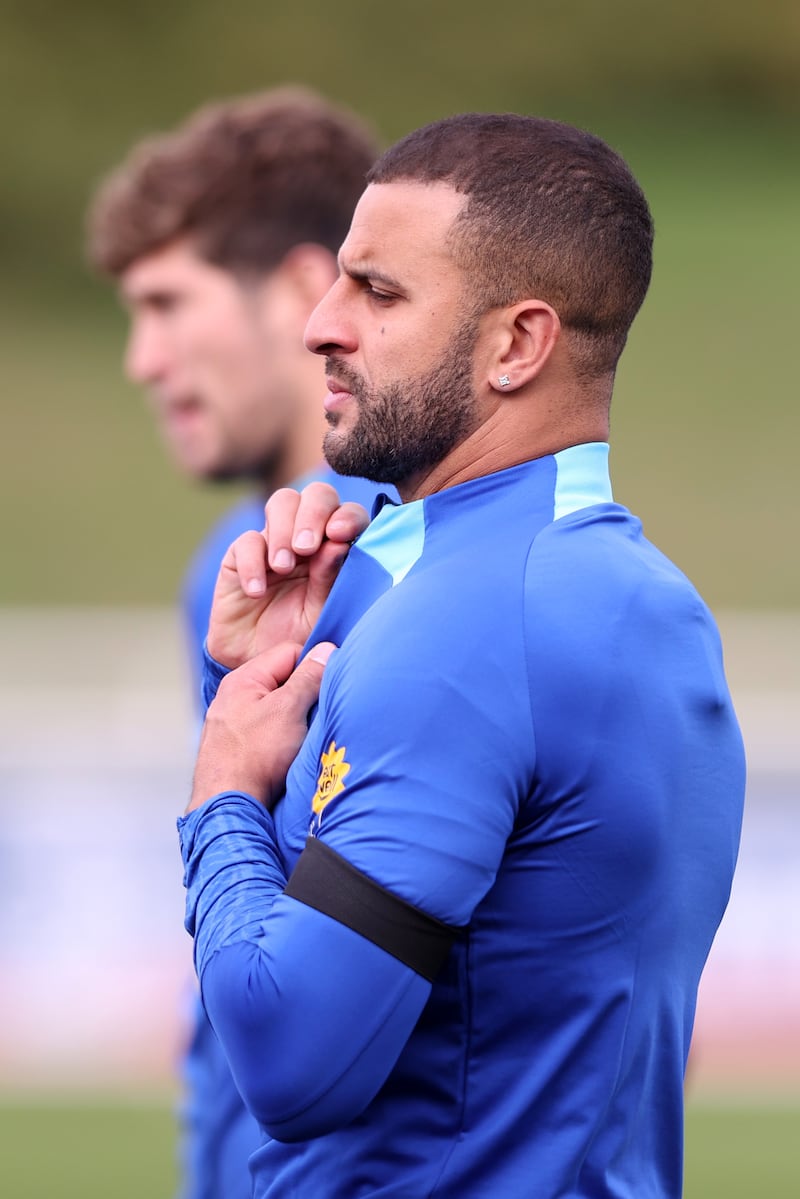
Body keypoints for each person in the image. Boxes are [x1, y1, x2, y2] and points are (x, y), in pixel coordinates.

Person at [178, 114, 746, 1198]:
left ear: (515, 345)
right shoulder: (633, 595)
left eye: (377, 294)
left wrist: (224, 787)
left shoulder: (470, 624)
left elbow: (291, 1059)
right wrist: (251, 687)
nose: (318, 325)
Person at [86, 86, 394, 1199]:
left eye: (169, 303)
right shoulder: (230, 560)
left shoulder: (398, 554)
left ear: (303, 292)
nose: (142, 358)